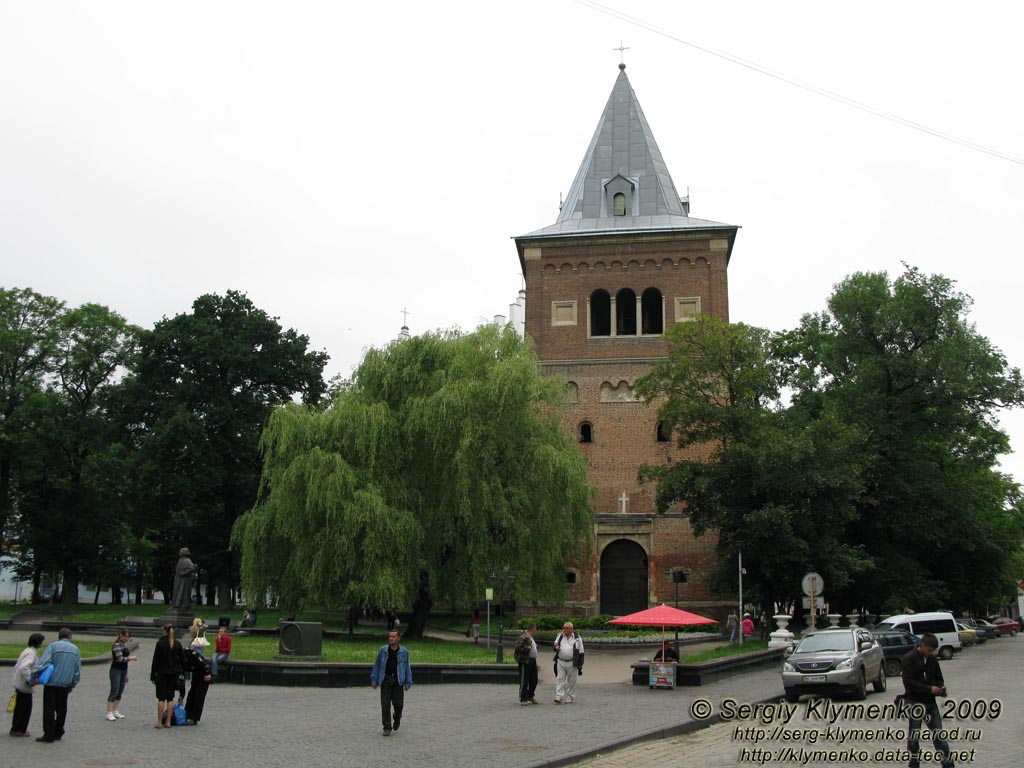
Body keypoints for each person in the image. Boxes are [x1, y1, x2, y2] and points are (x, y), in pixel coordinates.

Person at [901, 632, 955, 768]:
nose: (931, 653)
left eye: (933, 651)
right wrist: (929, 689)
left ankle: (948, 765)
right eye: (929, 650)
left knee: (939, 735)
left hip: (930, 703)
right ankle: (914, 764)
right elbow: (908, 683)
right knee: (914, 738)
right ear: (922, 645)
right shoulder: (908, 658)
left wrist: (941, 688)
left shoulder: (932, 660)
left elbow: (939, 677)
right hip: (914, 703)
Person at [30, 627, 81, 743]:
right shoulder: (75, 649)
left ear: (59, 636)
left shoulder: (53, 646)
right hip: (65, 684)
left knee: (49, 709)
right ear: (70, 637)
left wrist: (34, 675)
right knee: (62, 709)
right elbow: (77, 669)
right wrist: (73, 683)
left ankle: (48, 734)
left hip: (51, 683)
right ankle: (58, 732)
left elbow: (44, 663)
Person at [370, 629, 413, 736]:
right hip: (385, 680)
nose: (391, 638)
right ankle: (387, 727)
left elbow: (407, 667)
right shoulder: (383, 650)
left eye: (393, 637)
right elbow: (377, 665)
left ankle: (397, 717)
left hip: (398, 680)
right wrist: (374, 679)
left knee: (398, 704)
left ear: (398, 638)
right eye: (390, 636)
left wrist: (408, 682)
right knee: (385, 704)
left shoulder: (404, 652)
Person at [150, 623, 185, 729]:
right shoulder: (177, 644)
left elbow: (155, 660)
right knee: (170, 698)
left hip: (162, 673)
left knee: (161, 698)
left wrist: (153, 674)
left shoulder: (160, 643)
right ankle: (169, 721)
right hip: (173, 673)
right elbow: (183, 660)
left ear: (164, 631)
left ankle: (160, 721)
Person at [9, 633, 44, 737]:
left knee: (20, 707)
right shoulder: (31, 654)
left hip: (20, 685)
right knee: (24, 708)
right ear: (38, 642)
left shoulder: (27, 651)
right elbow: (24, 667)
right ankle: (19, 729)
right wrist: (30, 679)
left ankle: (17, 728)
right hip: (24, 686)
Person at [106, 629, 138, 721]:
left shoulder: (124, 645)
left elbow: (125, 663)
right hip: (115, 670)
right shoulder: (116, 645)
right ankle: (109, 712)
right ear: (121, 635)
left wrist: (126, 674)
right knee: (114, 690)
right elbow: (120, 659)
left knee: (120, 691)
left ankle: (115, 710)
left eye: (128, 637)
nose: (126, 638)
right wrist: (131, 658)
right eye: (125, 636)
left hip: (123, 670)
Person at [552, 621, 584, 704]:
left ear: (571, 629)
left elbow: (581, 651)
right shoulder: (560, 636)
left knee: (572, 680)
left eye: (567, 628)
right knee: (560, 679)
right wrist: (556, 648)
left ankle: (570, 696)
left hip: (572, 662)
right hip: (560, 661)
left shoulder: (577, 638)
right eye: (564, 628)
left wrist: (580, 664)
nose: (565, 629)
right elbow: (554, 646)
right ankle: (559, 696)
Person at [182, 647, 212, 725]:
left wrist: (208, 673)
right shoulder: (178, 659)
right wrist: (182, 695)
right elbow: (182, 676)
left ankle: (194, 718)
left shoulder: (191, 653)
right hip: (196, 674)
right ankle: (187, 715)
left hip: (204, 674)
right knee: (191, 694)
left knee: (199, 696)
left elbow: (203, 663)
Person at [513, 622, 539, 705]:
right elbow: (518, 647)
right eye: (535, 629)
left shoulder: (531, 637)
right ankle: (523, 698)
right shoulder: (523, 636)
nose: (536, 630)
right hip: (525, 661)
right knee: (524, 680)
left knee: (534, 680)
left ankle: (530, 695)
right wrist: (529, 648)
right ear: (533, 628)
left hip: (532, 661)